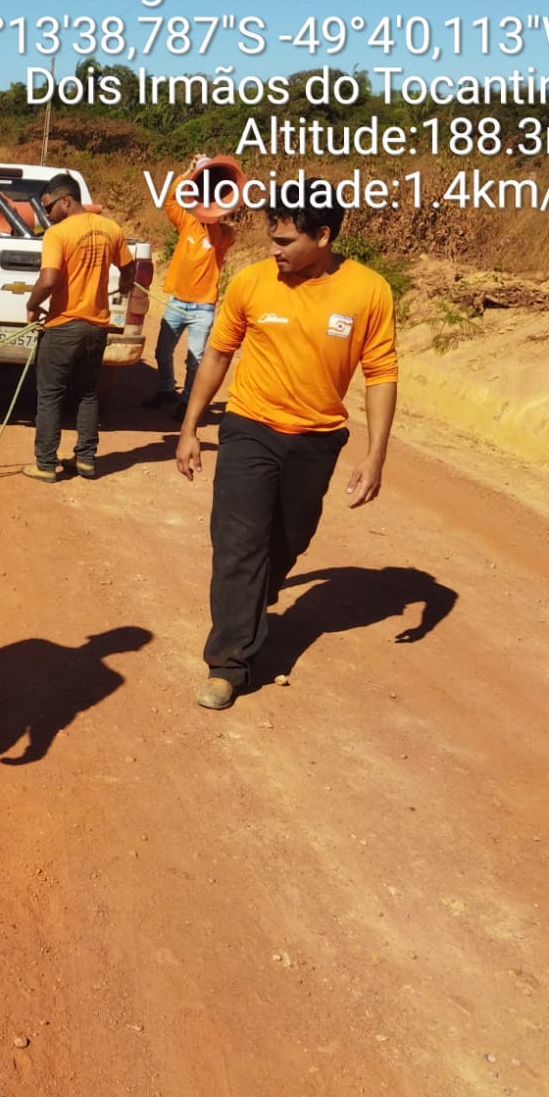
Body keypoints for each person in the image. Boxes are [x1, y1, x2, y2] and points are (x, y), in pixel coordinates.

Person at [175, 181, 398, 710]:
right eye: (271, 239)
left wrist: (376, 454)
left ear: (323, 236)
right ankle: (228, 662)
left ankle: (256, 595)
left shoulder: (368, 291)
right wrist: (190, 428)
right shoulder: (252, 283)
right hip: (249, 426)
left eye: (284, 241)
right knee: (236, 543)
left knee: (289, 539)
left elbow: (382, 372)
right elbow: (217, 355)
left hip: (317, 439)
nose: (273, 251)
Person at [23, 174, 133, 482]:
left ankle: (45, 464)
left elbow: (47, 280)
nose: (46, 215)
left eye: (48, 207)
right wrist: (124, 286)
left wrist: (32, 306)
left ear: (66, 200)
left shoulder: (57, 234)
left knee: (49, 395)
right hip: (96, 328)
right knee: (86, 393)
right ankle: (85, 460)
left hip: (63, 327)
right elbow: (129, 270)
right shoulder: (111, 229)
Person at [143, 154, 236, 411]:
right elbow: (171, 200)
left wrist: (212, 209)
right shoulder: (187, 223)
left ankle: (187, 401)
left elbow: (216, 233)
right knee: (162, 352)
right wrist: (188, 172)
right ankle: (166, 390)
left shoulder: (226, 234)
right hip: (176, 302)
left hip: (202, 308)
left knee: (194, 360)